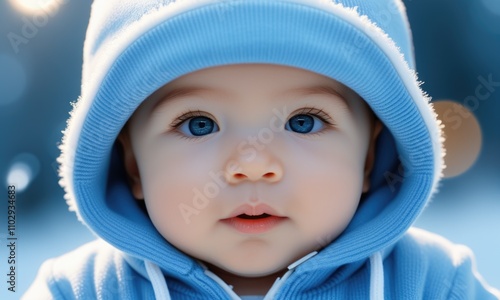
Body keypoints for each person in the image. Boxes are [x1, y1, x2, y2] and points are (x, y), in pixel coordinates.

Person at [24, 0, 500, 299]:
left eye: (303, 122)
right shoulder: (83, 289)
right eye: (198, 124)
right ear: (132, 165)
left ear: (371, 157)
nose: (252, 165)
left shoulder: (432, 284)